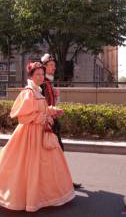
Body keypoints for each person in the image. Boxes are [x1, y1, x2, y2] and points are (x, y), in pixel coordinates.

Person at [0, 62, 75, 212]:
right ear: (31, 76)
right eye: (37, 74)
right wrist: (43, 118)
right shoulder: (28, 92)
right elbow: (23, 117)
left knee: (43, 165)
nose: (40, 77)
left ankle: (41, 197)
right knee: (26, 165)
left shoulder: (37, 91)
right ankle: (25, 198)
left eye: (42, 74)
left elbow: (40, 109)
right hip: (29, 135)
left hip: (40, 132)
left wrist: (52, 111)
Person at [40, 53, 82, 189]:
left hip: (52, 121)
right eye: (51, 65)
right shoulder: (41, 83)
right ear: (44, 67)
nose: (54, 68)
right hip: (45, 123)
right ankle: (57, 182)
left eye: (54, 66)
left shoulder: (48, 82)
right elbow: (40, 105)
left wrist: (55, 97)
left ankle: (63, 180)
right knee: (51, 152)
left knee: (58, 151)